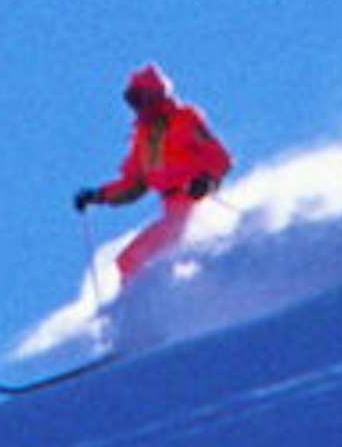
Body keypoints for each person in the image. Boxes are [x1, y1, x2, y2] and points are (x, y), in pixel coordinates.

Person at [74, 64, 230, 290]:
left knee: (135, 259)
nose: (134, 107)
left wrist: (207, 182)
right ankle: (143, 308)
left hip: (193, 199)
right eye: (130, 101)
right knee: (127, 261)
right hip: (173, 207)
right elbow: (134, 184)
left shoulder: (184, 119)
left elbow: (219, 157)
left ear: (152, 96)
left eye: (137, 99)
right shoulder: (144, 139)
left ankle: (176, 297)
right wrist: (98, 196)